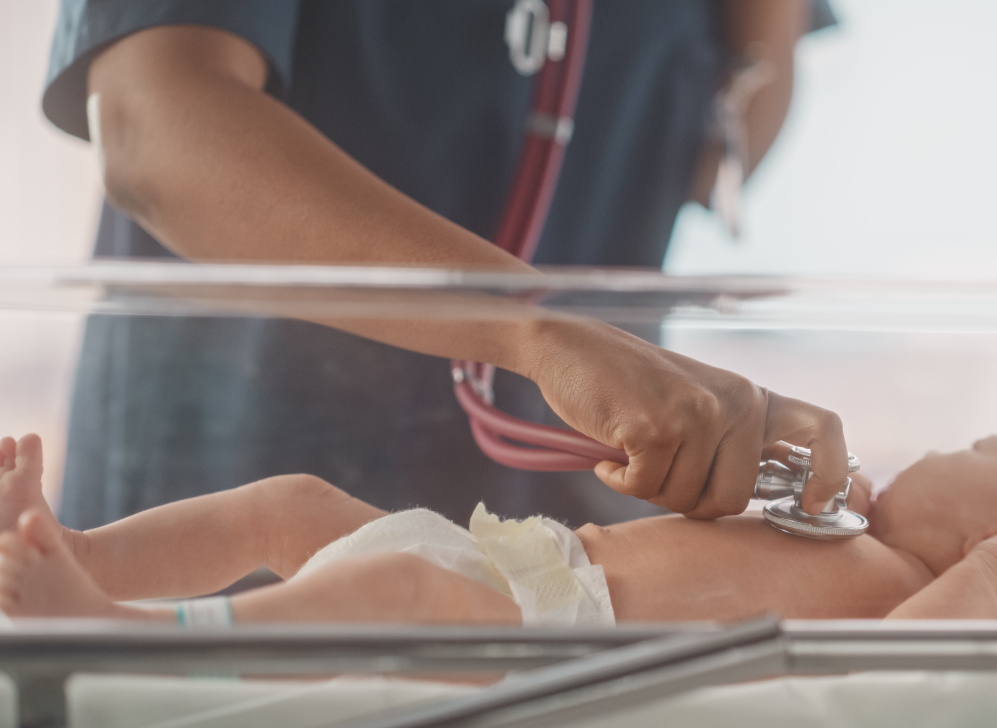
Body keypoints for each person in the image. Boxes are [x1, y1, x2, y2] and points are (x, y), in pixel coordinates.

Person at [41, 1, 840, 533]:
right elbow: (157, 127)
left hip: (575, 533)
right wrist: (535, 332)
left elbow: (723, 152)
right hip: (235, 498)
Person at [0, 431, 997, 624]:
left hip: (550, 625)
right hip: (529, 550)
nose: (936, 448)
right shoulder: (846, 541)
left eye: (972, 451)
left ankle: (109, 622)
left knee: (406, 586)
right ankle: (78, 553)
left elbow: (937, 654)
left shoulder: (903, 601)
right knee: (295, 502)